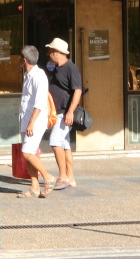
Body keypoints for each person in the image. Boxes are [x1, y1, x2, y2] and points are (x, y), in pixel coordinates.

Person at [17, 45, 55, 198]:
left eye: (20, 57)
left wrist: (31, 122)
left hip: (35, 121)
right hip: (26, 119)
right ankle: (34, 187)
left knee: (26, 153)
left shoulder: (39, 76)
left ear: (24, 60)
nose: (19, 60)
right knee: (30, 153)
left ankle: (48, 176)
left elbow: (39, 103)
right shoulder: (28, 75)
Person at [46, 37, 82, 191]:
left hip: (64, 113)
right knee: (65, 145)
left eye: (50, 51)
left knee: (55, 142)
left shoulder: (71, 68)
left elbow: (77, 91)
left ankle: (63, 177)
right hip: (58, 112)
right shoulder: (56, 68)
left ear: (57, 52)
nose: (48, 54)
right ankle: (71, 177)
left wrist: (70, 112)